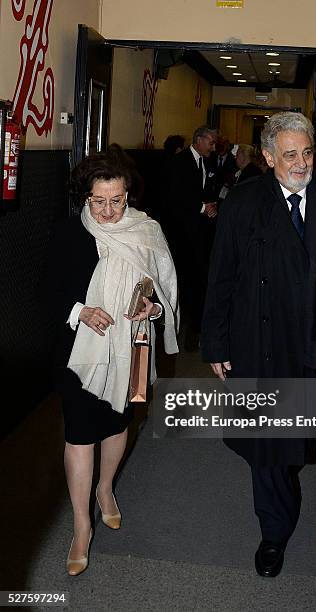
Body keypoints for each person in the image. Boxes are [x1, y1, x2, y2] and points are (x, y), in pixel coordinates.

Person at [201, 112, 316, 578]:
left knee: (304, 433)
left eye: (307, 152)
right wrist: (217, 343)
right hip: (263, 342)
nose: (301, 163)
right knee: (269, 445)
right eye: (289, 155)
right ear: (267, 156)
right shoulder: (243, 203)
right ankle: (274, 532)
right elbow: (221, 278)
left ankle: (288, 469)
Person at [48, 145, 178, 576]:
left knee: (119, 422)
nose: (107, 210)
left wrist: (152, 309)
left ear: (129, 196)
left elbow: (163, 288)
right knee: (81, 433)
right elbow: (48, 292)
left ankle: (106, 489)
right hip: (80, 355)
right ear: (85, 196)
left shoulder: (146, 231)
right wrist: (80, 311)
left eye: (116, 200)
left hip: (129, 347)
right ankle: (81, 526)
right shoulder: (69, 233)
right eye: (98, 201)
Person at [166, 125, 218, 350]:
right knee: (187, 280)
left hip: (202, 233)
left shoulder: (208, 162)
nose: (214, 147)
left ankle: (196, 327)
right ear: (199, 139)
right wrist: (201, 207)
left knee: (200, 280)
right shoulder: (180, 162)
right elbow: (174, 196)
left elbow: (207, 190)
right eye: (211, 142)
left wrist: (212, 206)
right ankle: (187, 327)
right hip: (183, 234)